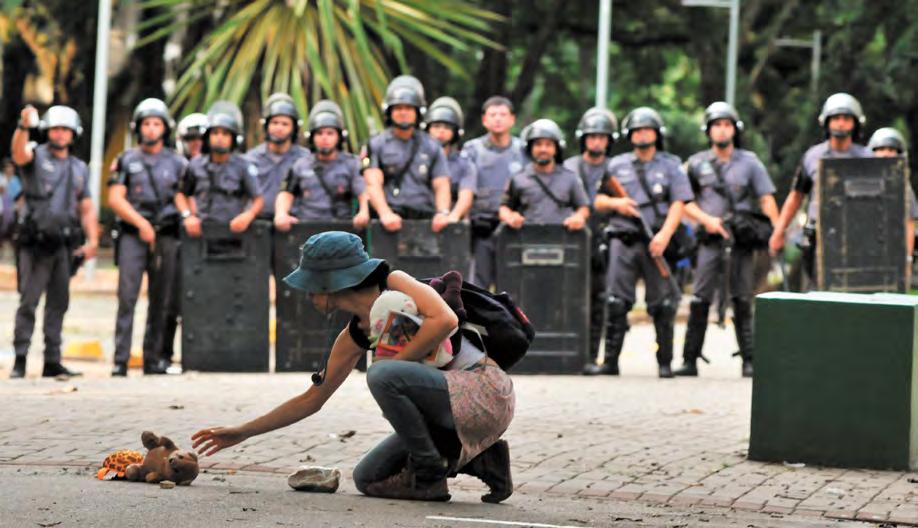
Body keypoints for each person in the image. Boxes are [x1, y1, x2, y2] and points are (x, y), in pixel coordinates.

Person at [191, 231, 515, 503]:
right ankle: (486, 462)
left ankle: (430, 473)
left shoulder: (396, 282)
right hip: (449, 411)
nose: (309, 297)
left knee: (382, 374)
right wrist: (242, 431)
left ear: (328, 286)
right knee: (368, 478)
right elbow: (310, 400)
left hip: (484, 392)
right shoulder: (353, 336)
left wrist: (393, 367)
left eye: (311, 288)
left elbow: (446, 319)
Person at [588, 107, 693, 378]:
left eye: (647, 130)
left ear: (657, 134)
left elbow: (679, 203)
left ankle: (665, 363)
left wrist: (664, 236)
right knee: (615, 302)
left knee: (663, 304)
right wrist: (617, 203)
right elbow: (598, 201)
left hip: (656, 241)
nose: (642, 134)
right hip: (623, 240)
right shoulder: (616, 165)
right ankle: (610, 362)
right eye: (636, 131)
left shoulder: (671, 165)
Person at [675, 102, 778, 378]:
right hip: (709, 240)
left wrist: (775, 233)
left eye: (727, 124)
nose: (722, 130)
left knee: (742, 298)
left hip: (740, 241)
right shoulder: (696, 164)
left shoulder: (750, 162)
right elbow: (683, 202)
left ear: (735, 129)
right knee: (700, 298)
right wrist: (707, 220)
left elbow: (766, 199)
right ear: (708, 131)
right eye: (716, 125)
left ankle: (750, 360)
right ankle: (689, 360)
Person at [9, 104, 99, 379]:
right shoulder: (35, 156)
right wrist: (24, 126)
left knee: (59, 303)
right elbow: (18, 153)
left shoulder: (79, 167)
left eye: (65, 130)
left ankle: (52, 360)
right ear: (48, 130)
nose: (60, 134)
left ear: (74, 134)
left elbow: (86, 206)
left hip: (64, 244)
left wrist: (93, 239)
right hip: (35, 243)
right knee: (29, 302)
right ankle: (20, 359)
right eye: (56, 129)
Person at [108, 98, 187, 376]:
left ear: (165, 128)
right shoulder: (126, 160)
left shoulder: (178, 162)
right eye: (146, 124)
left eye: (157, 124)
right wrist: (141, 223)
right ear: (138, 128)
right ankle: (120, 361)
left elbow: (182, 197)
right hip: (133, 234)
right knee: (127, 297)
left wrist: (188, 215)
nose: (151, 129)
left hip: (165, 235)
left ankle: (152, 360)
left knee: (161, 299)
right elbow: (115, 198)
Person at [768, 93, 872, 283]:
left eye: (846, 119)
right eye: (836, 118)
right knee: (819, 291)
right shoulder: (812, 156)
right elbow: (796, 196)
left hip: (856, 237)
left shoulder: (866, 158)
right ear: (827, 122)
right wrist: (779, 231)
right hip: (819, 236)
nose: (841, 123)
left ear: (855, 123)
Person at [564, 107, 618, 373]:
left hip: (604, 239)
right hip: (574, 239)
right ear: (583, 139)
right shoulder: (569, 167)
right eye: (591, 136)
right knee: (572, 298)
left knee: (601, 299)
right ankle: (573, 354)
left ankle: (593, 356)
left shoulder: (615, 168)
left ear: (609, 140)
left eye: (602, 136)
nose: (596, 141)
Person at [362, 75, 452, 233]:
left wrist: (443, 213)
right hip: (388, 221)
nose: (403, 113)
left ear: (418, 112)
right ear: (389, 112)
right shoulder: (376, 144)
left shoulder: (432, 145)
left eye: (409, 108)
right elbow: (373, 183)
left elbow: (441, 184)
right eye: (398, 108)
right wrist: (385, 214)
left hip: (425, 220)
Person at [274, 100, 369, 231]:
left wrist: (364, 212)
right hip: (307, 229)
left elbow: (362, 192)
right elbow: (286, 192)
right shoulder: (300, 165)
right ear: (312, 137)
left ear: (339, 137)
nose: (324, 138)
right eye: (319, 133)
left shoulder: (351, 164)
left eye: (330, 133)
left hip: (342, 230)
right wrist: (281, 214)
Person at [174, 101, 263, 237]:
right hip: (201, 232)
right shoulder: (195, 164)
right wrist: (188, 216)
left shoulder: (243, 165)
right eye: (215, 133)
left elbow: (258, 199)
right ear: (207, 137)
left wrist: (248, 215)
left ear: (233, 138)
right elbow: (180, 194)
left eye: (225, 134)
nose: (219, 138)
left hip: (233, 233)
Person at [462, 97, 525, 288]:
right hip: (481, 227)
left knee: (513, 284)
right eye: (493, 114)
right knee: (478, 284)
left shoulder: (523, 150)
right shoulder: (472, 149)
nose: (498, 119)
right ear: (484, 120)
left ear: (512, 119)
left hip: (515, 227)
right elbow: (465, 188)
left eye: (503, 114)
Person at [498, 118, 590, 230]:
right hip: (527, 240)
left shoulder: (570, 178)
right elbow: (504, 208)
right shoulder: (518, 178)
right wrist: (510, 217)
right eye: (538, 144)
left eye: (548, 144)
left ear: (556, 149)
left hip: (562, 240)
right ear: (530, 148)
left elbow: (583, 207)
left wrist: (578, 217)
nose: (543, 149)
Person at [246, 93, 311, 222]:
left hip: (293, 222)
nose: (279, 128)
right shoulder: (250, 158)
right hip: (258, 224)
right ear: (266, 125)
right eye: (274, 123)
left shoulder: (305, 159)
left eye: (285, 124)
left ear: (294, 128)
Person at [867, 127, 917, 263]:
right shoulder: (859, 180)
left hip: (892, 250)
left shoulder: (903, 186)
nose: (886, 154)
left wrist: (907, 258)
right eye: (881, 149)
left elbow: (909, 223)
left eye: (891, 150)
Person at [424, 96, 477, 223]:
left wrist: (453, 217)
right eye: (436, 126)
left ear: (455, 132)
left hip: (451, 223)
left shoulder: (464, 163)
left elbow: (466, 194)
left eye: (447, 127)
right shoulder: (417, 159)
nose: (441, 131)